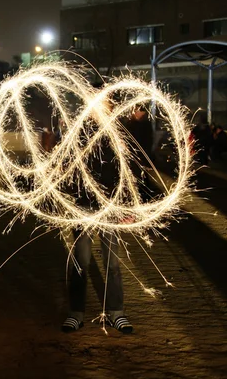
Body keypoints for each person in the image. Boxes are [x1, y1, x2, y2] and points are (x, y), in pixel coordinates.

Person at [61, 101, 133, 334]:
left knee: (112, 264)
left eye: (104, 102)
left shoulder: (117, 131)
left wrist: (126, 204)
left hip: (110, 207)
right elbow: (66, 166)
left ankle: (116, 313)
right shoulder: (78, 131)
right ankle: (76, 313)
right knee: (81, 263)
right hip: (84, 207)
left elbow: (125, 171)